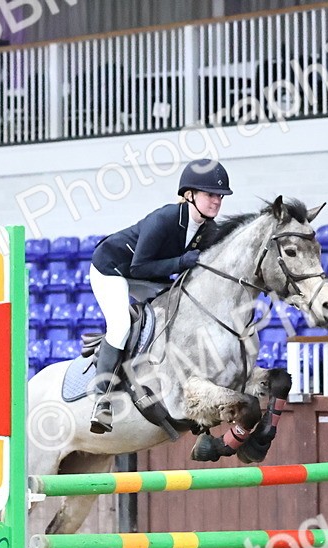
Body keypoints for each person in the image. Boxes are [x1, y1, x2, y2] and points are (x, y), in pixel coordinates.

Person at [86, 158, 233, 434]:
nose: (216, 201)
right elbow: (137, 266)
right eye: (210, 194)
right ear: (189, 195)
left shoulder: (208, 229)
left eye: (220, 196)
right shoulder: (165, 219)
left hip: (147, 274)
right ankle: (101, 399)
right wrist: (180, 263)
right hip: (112, 268)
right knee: (120, 326)